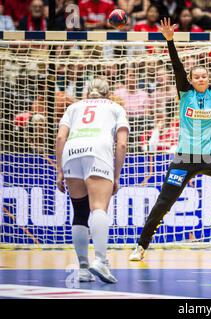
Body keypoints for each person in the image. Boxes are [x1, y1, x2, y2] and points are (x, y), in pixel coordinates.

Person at [129, 16, 211, 261]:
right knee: (163, 203)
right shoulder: (185, 94)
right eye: (196, 76)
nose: (201, 78)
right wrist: (170, 41)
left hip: (210, 157)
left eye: (204, 76)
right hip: (184, 159)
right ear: (190, 80)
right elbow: (177, 66)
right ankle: (141, 246)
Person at [56, 78, 130, 283]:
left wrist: (60, 171)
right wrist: (115, 176)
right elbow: (121, 144)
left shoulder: (74, 107)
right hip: (98, 151)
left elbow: (61, 138)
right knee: (98, 208)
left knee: (80, 213)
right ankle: (101, 260)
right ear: (108, 92)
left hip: (72, 151)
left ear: (87, 92)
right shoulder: (116, 108)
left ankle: (82, 268)